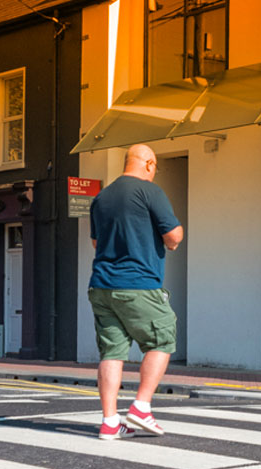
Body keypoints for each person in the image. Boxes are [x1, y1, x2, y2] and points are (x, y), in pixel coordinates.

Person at [88, 144, 184, 441]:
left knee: (112, 353)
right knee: (163, 338)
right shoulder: (149, 191)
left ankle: (109, 422)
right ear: (149, 164)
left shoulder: (101, 198)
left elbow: (95, 243)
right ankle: (141, 407)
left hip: (102, 286)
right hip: (138, 283)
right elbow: (174, 235)